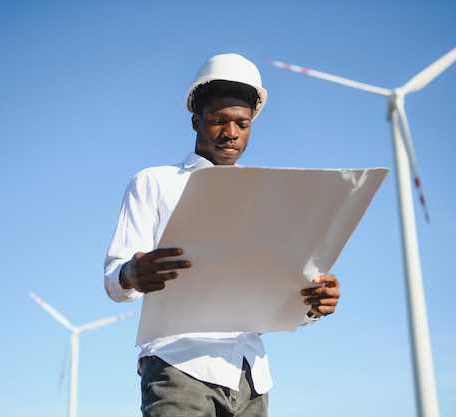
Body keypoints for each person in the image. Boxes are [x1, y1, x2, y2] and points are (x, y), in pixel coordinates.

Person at [104, 53, 341, 417]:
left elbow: (280, 288)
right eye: (218, 121)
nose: (231, 133)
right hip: (178, 368)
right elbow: (116, 279)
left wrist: (313, 304)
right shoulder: (154, 182)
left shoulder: (267, 195)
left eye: (242, 124)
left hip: (251, 379)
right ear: (196, 120)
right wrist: (131, 274)